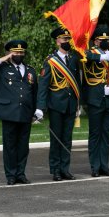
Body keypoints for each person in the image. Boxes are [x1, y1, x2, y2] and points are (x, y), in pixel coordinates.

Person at [0, 39, 39, 185]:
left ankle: (21, 174)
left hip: (26, 113)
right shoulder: (2, 69)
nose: (19, 54)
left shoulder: (30, 70)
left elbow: (34, 93)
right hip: (9, 113)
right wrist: (1, 60)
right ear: (9, 53)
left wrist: (36, 111)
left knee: (23, 146)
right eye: (15, 52)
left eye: (21, 52)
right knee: (10, 147)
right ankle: (11, 175)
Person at [37, 28, 82, 181]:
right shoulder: (50, 60)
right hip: (56, 105)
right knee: (56, 139)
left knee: (67, 138)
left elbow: (77, 82)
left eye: (68, 39)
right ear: (57, 41)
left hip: (70, 105)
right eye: (63, 39)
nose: (66, 42)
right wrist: (40, 107)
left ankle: (65, 169)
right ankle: (55, 169)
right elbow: (43, 85)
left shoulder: (74, 58)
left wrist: (78, 104)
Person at [83, 26, 109, 176]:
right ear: (95, 41)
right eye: (101, 40)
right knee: (95, 134)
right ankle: (95, 166)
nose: (104, 42)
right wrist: (101, 57)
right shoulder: (91, 54)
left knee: (106, 134)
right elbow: (83, 56)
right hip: (96, 99)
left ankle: (104, 165)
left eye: (106, 40)